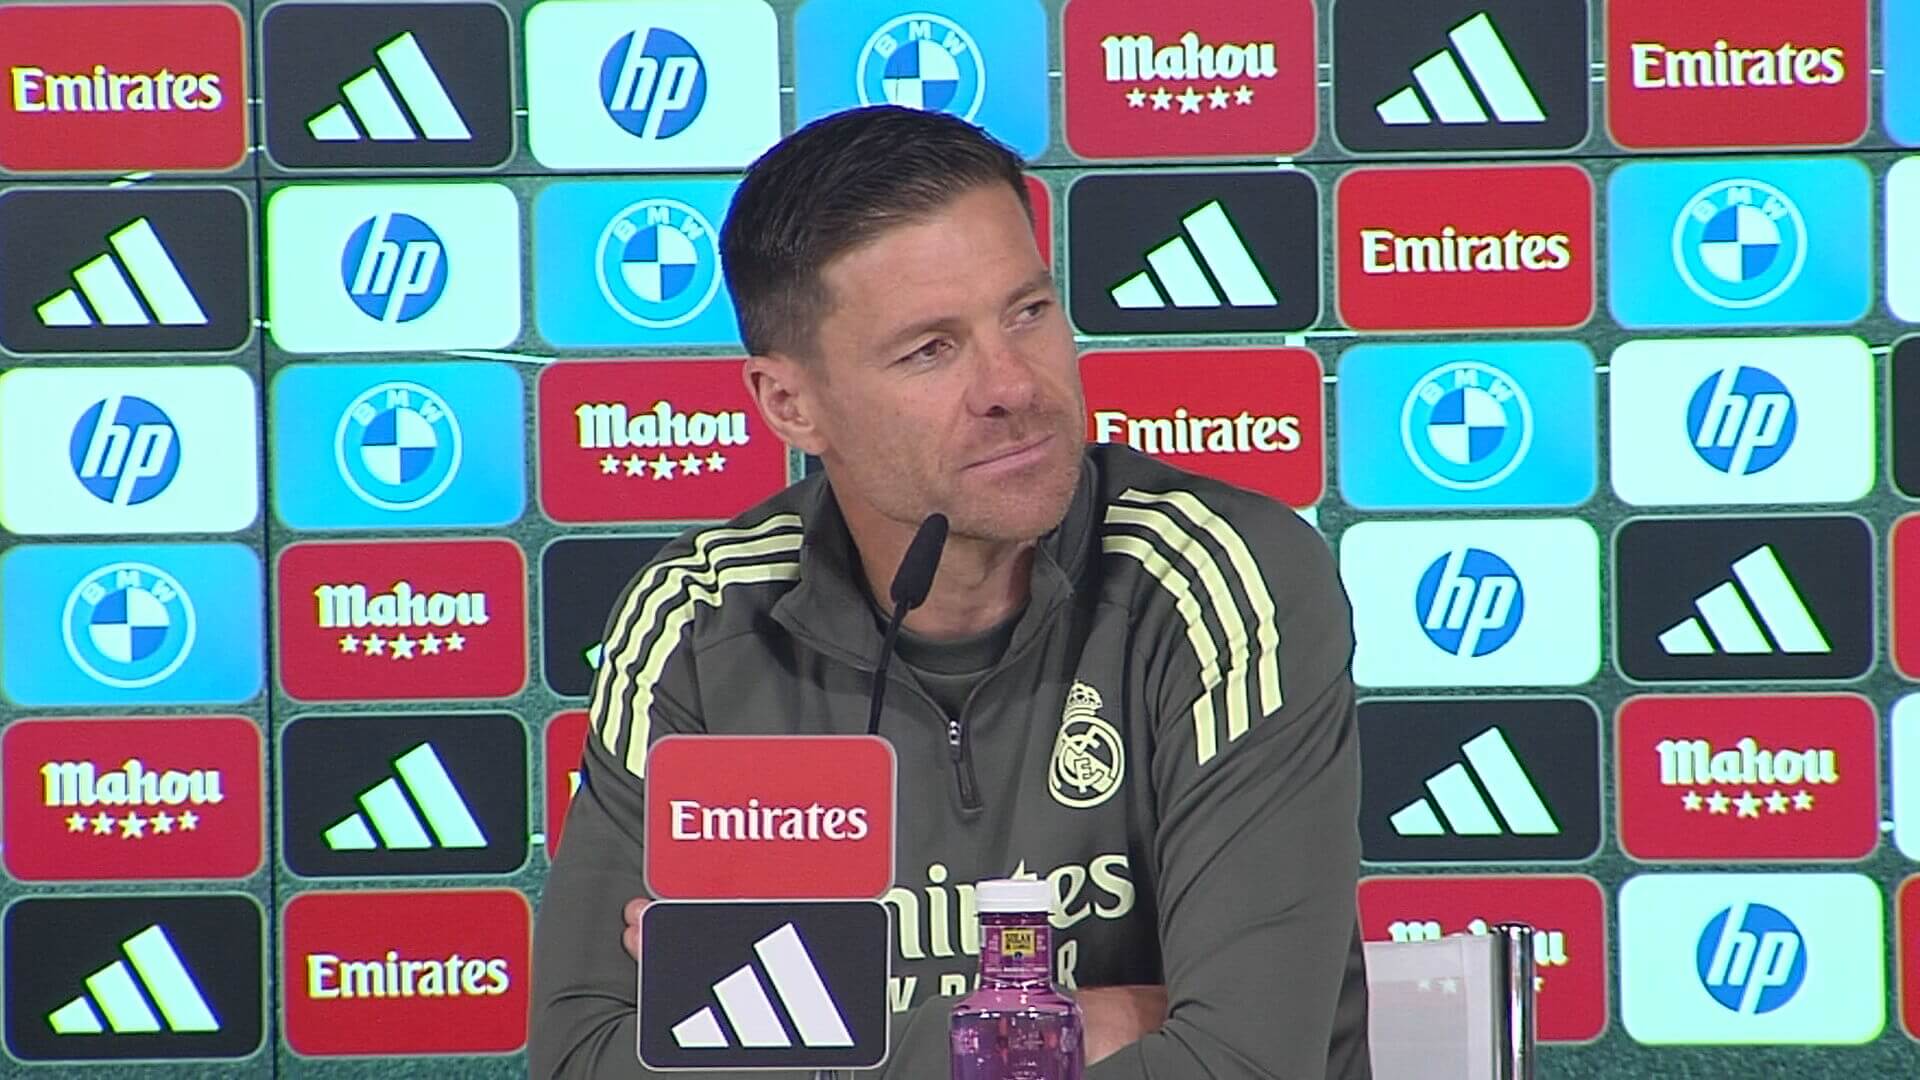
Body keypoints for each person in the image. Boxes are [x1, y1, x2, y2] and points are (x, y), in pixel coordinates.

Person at [530, 104, 1371, 1078]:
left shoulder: (1218, 579)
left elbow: (1240, 1066)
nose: (1013, 385)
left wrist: (776, 1036)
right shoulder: (702, 620)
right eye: (930, 349)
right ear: (790, 404)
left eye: (1028, 311)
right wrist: (1046, 1032)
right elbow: (581, 1060)